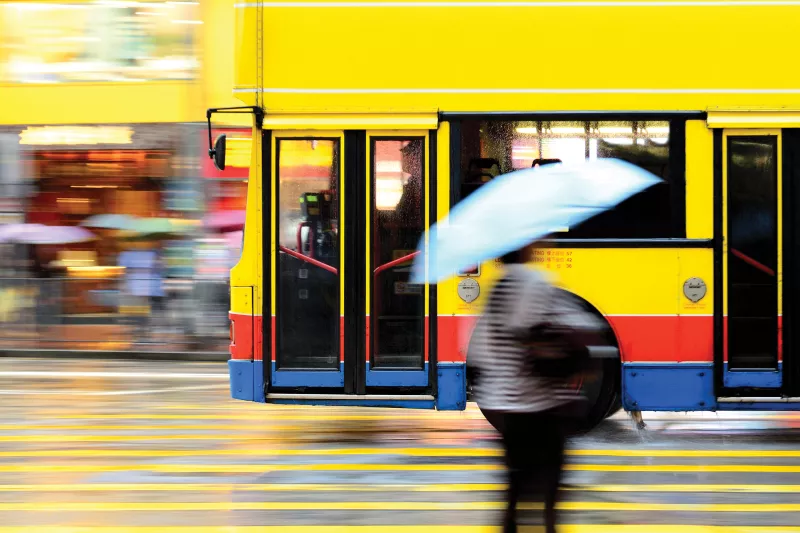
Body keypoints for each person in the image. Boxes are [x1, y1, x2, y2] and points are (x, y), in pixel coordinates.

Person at [467, 241, 601, 533]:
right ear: (526, 248)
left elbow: (478, 353)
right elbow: (578, 328)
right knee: (551, 486)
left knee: (515, 487)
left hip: (506, 408)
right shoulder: (538, 282)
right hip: (542, 406)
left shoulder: (495, 290)